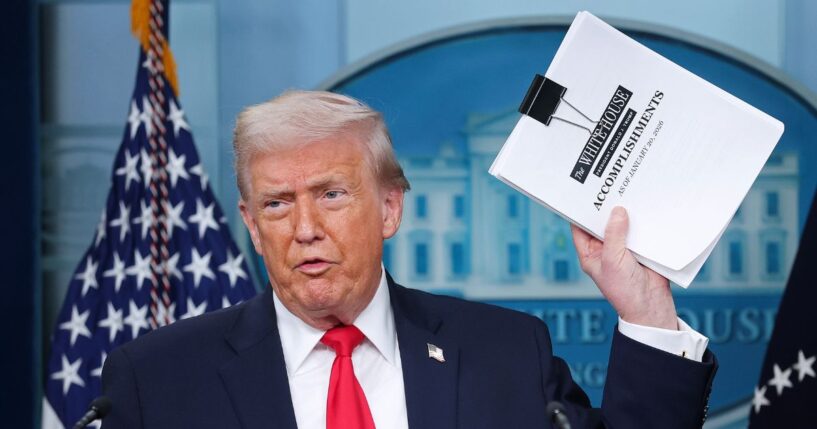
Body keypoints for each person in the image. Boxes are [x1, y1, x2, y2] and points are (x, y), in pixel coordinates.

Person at [101, 90, 717, 428]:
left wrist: (645, 309)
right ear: (254, 229)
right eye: (277, 204)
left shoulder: (504, 354)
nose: (305, 229)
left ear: (391, 208)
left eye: (332, 195)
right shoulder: (160, 379)